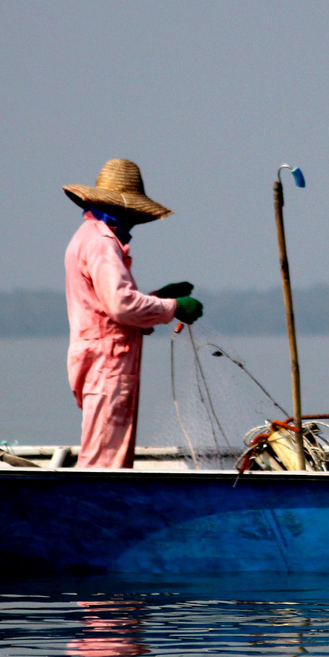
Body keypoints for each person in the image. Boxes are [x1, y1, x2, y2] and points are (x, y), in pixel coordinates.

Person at [63, 159, 203, 468]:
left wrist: (156, 299)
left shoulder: (90, 237)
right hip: (106, 362)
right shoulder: (101, 243)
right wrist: (174, 307)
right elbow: (121, 306)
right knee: (104, 459)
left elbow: (109, 308)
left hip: (102, 356)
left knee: (109, 449)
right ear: (122, 208)